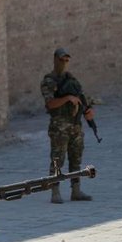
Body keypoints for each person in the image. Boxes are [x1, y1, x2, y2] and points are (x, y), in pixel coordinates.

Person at [41, 47, 95, 203]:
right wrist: (67, 99)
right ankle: (55, 191)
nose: (64, 63)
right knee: (57, 159)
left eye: (66, 60)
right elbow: (50, 103)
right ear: (55, 60)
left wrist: (87, 111)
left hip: (75, 125)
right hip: (59, 127)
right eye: (61, 60)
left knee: (76, 158)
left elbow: (81, 97)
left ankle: (76, 190)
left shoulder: (71, 79)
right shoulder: (49, 81)